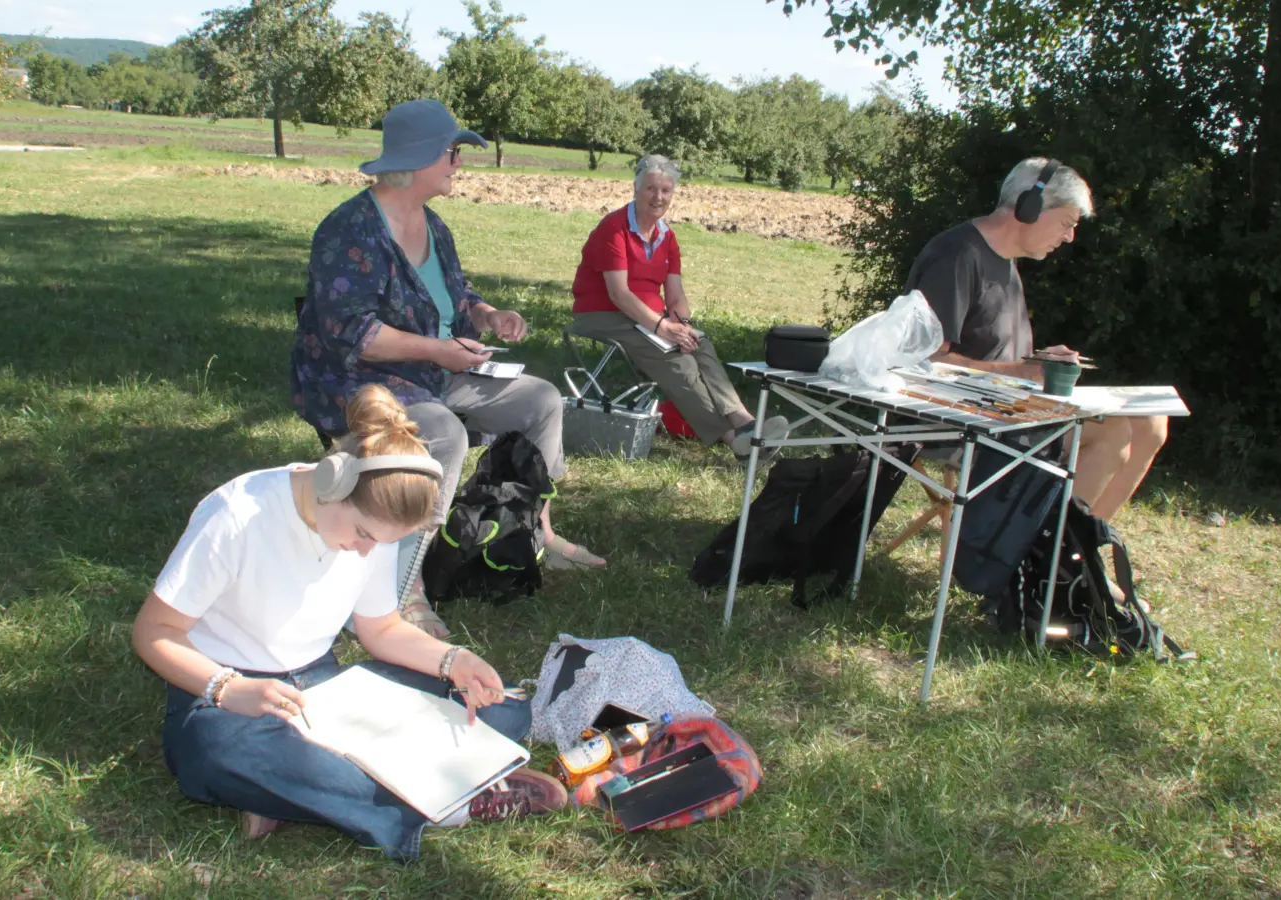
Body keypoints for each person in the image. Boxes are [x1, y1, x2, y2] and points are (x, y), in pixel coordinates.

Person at [131, 384, 567, 860]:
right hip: (224, 693)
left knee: (502, 709)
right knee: (212, 753)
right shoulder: (237, 515)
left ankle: (296, 792)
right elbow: (154, 633)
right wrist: (227, 688)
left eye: (378, 542)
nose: (366, 550)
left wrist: (453, 660)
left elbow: (379, 629)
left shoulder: (369, 530)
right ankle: (450, 798)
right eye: (363, 534)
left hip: (324, 689)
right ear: (332, 482)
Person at [291, 98, 605, 640]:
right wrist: (439, 351)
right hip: (353, 381)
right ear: (419, 158)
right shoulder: (350, 232)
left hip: (434, 370)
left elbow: (456, 295)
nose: (459, 163)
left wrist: (486, 314)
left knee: (542, 401)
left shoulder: (432, 225)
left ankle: (536, 534)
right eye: (453, 153)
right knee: (440, 433)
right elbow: (354, 333)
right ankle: (402, 586)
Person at [906, 157, 1168, 522]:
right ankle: (1047, 564)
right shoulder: (958, 256)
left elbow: (992, 350)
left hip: (1009, 408)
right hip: (959, 420)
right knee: (1115, 433)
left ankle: (1082, 551)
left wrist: (1040, 364)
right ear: (1029, 208)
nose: (1069, 236)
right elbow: (924, 362)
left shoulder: (1005, 260)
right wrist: (1025, 371)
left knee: (1152, 423)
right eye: (1066, 223)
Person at [569, 154, 790, 462]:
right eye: (650, 189)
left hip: (646, 320)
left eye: (665, 190)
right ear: (636, 189)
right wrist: (662, 328)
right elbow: (618, 294)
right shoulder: (614, 228)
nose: (658, 197)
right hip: (602, 315)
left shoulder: (667, 235)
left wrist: (681, 324)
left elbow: (675, 294)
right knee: (677, 360)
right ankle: (735, 442)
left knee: (699, 345)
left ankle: (744, 421)